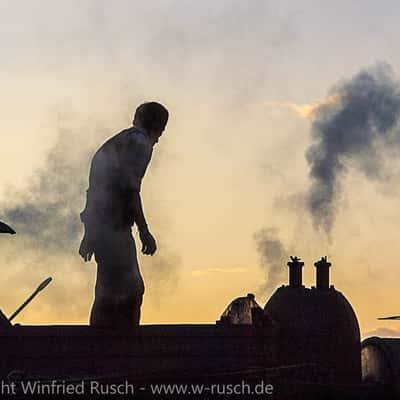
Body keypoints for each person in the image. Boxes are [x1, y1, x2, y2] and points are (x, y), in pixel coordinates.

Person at [79, 102, 169, 329]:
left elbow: (93, 193)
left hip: (103, 229)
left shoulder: (117, 142)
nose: (158, 139)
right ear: (156, 126)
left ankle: (99, 346)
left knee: (108, 290)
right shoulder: (140, 144)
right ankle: (121, 352)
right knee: (129, 290)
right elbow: (130, 190)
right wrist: (144, 231)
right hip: (114, 229)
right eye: (161, 131)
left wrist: (90, 234)